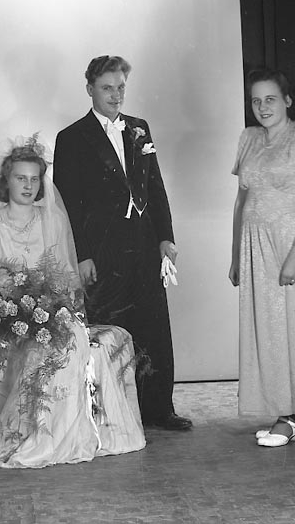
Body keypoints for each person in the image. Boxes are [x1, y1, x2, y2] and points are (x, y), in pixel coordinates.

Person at [0, 135, 145, 468]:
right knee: (44, 348)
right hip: (4, 317)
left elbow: (66, 279)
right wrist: (14, 312)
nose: (27, 185)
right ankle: (32, 435)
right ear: (6, 181)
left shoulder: (53, 220)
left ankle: (62, 434)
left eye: (34, 179)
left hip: (48, 312)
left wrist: (56, 310)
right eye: (20, 178)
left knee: (82, 339)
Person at [53, 55, 191, 431]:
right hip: (102, 252)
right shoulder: (71, 138)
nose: (115, 95)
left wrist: (166, 237)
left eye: (120, 88)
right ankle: (110, 414)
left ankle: (159, 410)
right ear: (90, 89)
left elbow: (155, 188)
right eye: (107, 88)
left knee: (154, 329)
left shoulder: (140, 129)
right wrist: (82, 255)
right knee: (108, 332)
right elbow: (69, 204)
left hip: (144, 247)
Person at [229, 68, 295, 447]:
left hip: (291, 244)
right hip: (255, 248)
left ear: (287, 100)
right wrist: (236, 255)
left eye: (270, 99)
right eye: (256, 100)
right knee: (269, 332)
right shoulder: (249, 138)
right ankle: (287, 415)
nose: (262, 107)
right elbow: (241, 202)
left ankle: (292, 418)